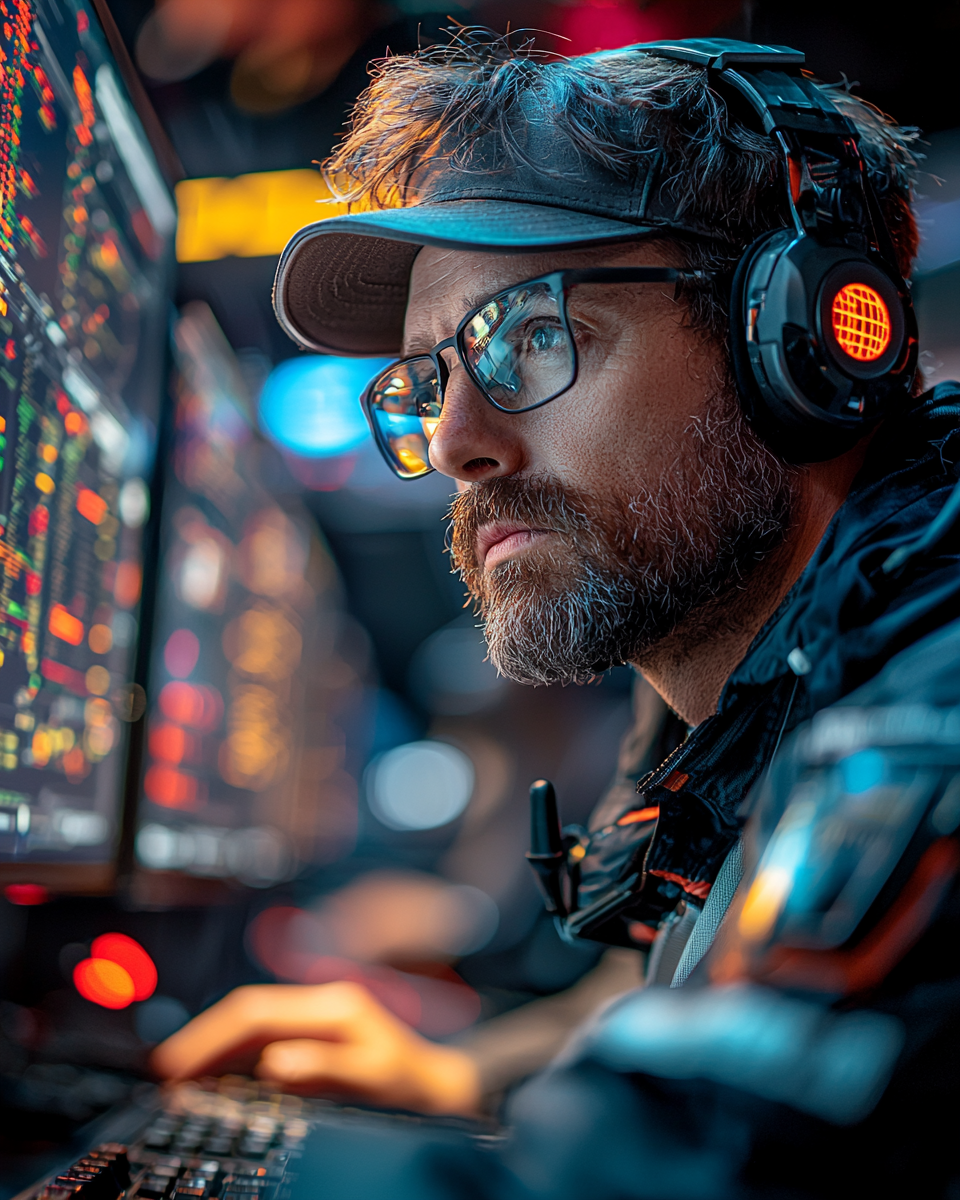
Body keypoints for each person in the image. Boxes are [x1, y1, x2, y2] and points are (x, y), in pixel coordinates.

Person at [153, 31, 960, 1137]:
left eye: (531, 337)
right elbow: (662, 989)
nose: (451, 444)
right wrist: (464, 1079)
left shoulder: (932, 719)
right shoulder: (764, 692)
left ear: (798, 339)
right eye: (428, 379)